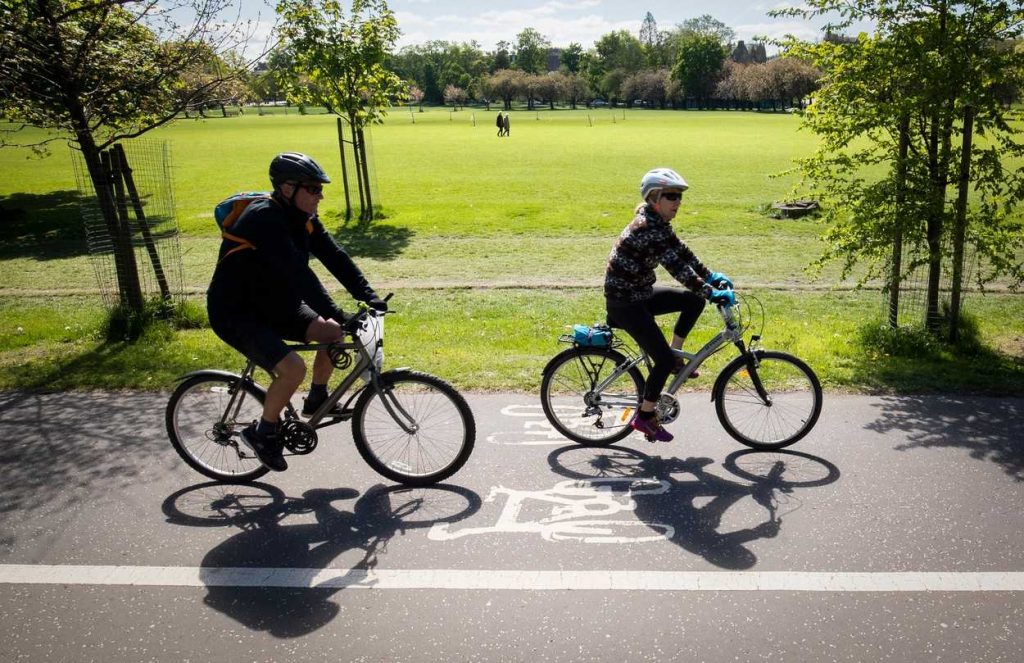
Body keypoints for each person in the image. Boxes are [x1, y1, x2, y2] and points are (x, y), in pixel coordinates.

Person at [207, 152, 387, 471]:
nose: (320, 195)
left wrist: (369, 297)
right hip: (236, 312)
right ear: (288, 188)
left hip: (277, 304)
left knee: (334, 332)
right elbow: (299, 276)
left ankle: (317, 398)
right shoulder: (264, 219)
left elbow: (335, 257)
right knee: (292, 369)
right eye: (313, 189)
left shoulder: (302, 220)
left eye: (320, 189)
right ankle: (263, 432)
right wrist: (339, 310)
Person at [604, 167, 734, 442]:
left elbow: (684, 252)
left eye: (680, 197)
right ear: (654, 199)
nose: (678, 202)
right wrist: (711, 292)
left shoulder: (659, 224)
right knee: (660, 360)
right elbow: (677, 268)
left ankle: (676, 356)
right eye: (672, 196)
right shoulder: (646, 229)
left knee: (693, 300)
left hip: (638, 293)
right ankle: (645, 416)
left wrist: (711, 277)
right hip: (625, 303)